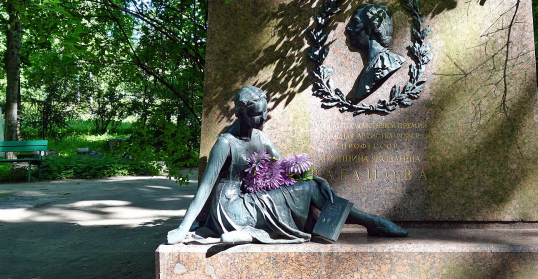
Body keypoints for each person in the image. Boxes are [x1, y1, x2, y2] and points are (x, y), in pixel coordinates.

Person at [166, 86, 408, 245]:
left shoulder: (260, 138)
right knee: (310, 189)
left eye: (264, 113)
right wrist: (182, 229)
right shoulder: (225, 143)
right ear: (240, 113)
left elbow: (285, 170)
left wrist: (311, 178)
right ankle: (372, 222)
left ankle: (247, 234)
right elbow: (205, 189)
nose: (262, 119)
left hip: (253, 200)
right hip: (230, 206)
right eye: (255, 115)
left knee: (313, 186)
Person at [345, 3, 405, 101]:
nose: (349, 28)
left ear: (371, 28)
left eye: (356, 22)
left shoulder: (387, 63)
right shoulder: (372, 63)